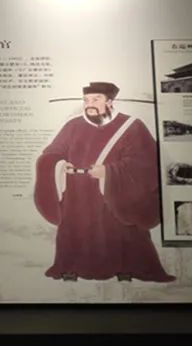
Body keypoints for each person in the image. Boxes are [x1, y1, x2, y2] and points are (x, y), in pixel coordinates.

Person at [33, 81, 174, 282]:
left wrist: (109, 172)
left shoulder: (131, 126)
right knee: (76, 228)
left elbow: (145, 161)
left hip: (116, 193)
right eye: (86, 100)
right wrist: (60, 164)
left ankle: (126, 268)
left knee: (121, 229)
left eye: (96, 99)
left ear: (109, 101)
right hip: (77, 194)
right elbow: (51, 153)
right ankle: (72, 268)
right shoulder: (73, 126)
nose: (89, 104)